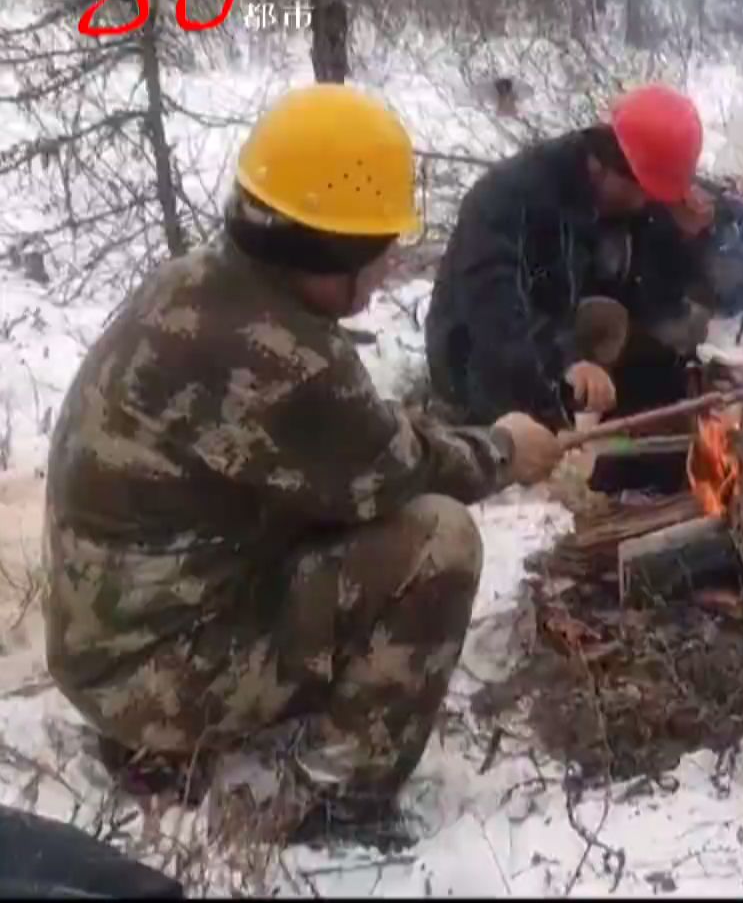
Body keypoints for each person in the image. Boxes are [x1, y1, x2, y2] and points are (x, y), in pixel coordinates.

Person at [42, 84, 565, 847]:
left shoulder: (201, 283)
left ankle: (157, 743)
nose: (388, 266)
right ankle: (336, 796)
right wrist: (507, 448)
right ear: (331, 254)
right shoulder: (285, 357)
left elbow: (343, 448)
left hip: (109, 646)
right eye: (379, 249)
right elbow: (399, 473)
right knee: (437, 540)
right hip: (150, 675)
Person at [425, 84, 716, 434]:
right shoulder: (508, 197)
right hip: (482, 361)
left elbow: (656, 301)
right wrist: (565, 362)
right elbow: (495, 316)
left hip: (562, 334)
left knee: (661, 365)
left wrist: (685, 239)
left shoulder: (628, 199)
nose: (645, 203)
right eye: (642, 191)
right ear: (606, 165)